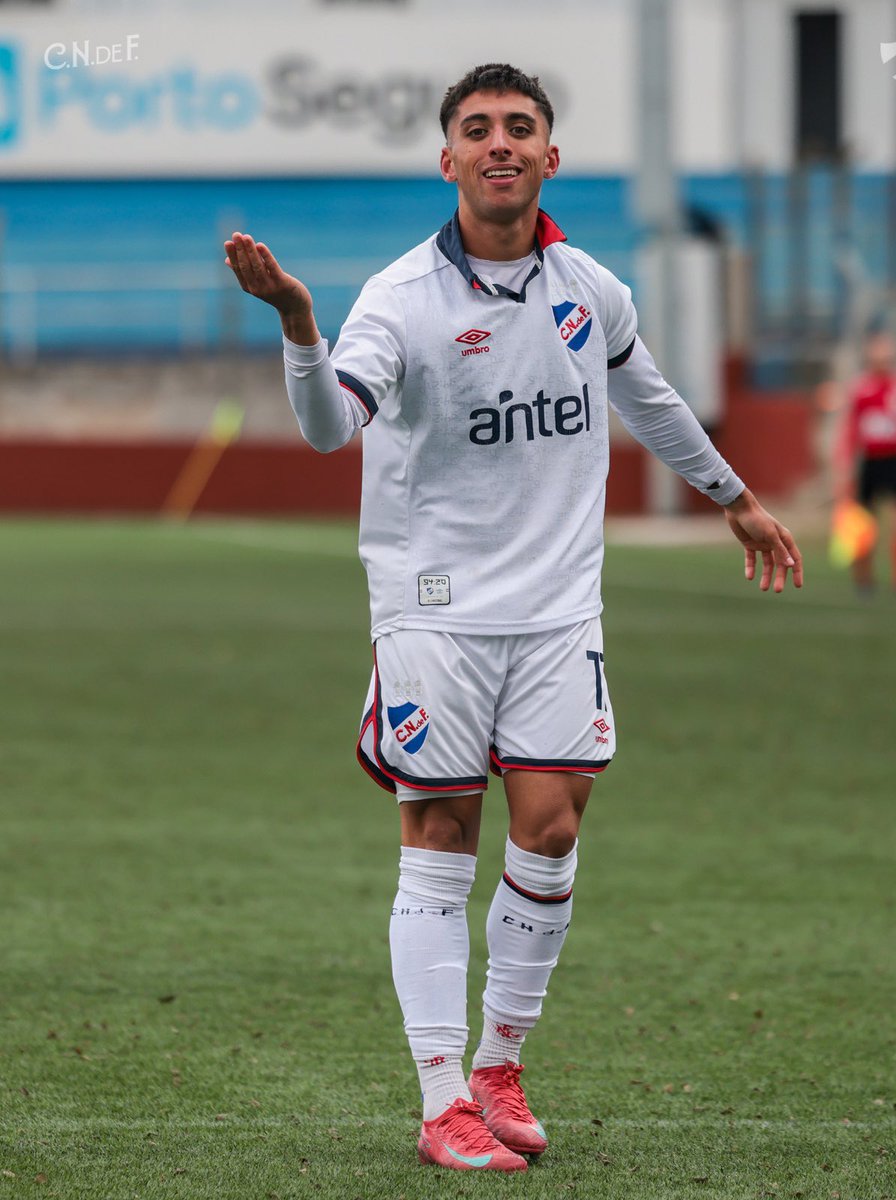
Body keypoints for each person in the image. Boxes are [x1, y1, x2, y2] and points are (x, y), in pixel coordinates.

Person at [224, 62, 803, 1173]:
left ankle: (498, 1064)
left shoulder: (589, 289)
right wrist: (300, 324)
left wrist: (735, 498)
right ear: (447, 160)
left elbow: (653, 399)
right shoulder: (399, 300)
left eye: (520, 127)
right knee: (441, 834)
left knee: (551, 830)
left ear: (549, 156)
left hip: (554, 612)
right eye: (477, 129)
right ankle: (442, 1097)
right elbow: (327, 429)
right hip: (433, 610)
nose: (499, 143)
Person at [835, 332, 896, 595]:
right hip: (868, 461)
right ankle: (864, 580)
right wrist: (845, 465)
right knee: (863, 524)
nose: (882, 361)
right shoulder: (860, 388)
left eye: (887, 356)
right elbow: (850, 430)